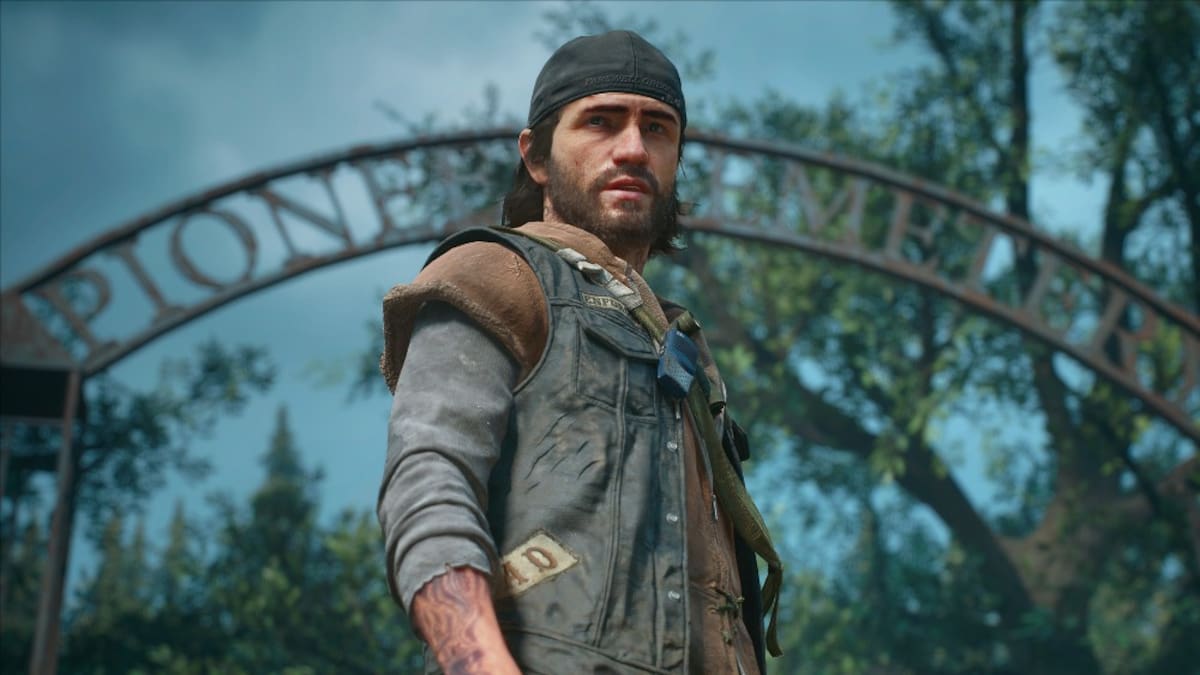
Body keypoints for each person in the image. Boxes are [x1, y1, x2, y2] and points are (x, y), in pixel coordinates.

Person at [377, 30, 781, 674]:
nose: (633, 148)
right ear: (536, 157)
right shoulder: (497, 275)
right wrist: (475, 662)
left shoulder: (678, 341)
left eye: (657, 128)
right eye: (601, 121)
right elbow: (429, 483)